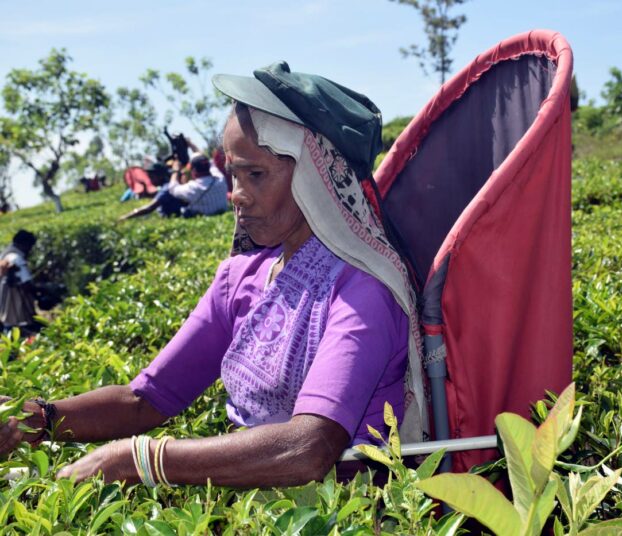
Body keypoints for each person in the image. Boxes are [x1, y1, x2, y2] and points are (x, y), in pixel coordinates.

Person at [0, 62, 427, 489]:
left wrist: (140, 459)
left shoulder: (363, 289)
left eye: (255, 174)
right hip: (248, 502)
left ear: (315, 177)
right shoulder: (241, 277)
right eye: (234, 175)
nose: (236, 195)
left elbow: (309, 448)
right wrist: (35, 418)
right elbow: (144, 401)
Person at [0, 230, 40, 335]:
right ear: (24, 244)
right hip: (17, 313)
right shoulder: (16, 258)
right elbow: (26, 284)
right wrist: (40, 294)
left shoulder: (5, 254)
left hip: (6, 310)